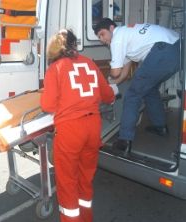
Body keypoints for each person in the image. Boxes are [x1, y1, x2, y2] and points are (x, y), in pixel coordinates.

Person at [40, 29, 116, 222]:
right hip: (93, 128)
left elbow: (47, 105)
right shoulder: (89, 63)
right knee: (85, 178)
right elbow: (108, 95)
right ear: (75, 45)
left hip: (71, 130)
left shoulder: (55, 68)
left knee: (67, 183)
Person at [93, 18, 180, 152]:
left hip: (163, 50)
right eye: (99, 37)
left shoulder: (118, 36)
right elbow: (124, 73)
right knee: (149, 89)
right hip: (177, 48)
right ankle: (160, 126)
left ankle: (124, 141)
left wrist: (105, 79)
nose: (101, 39)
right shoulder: (127, 35)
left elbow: (116, 72)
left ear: (111, 28)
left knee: (132, 95)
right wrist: (109, 84)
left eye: (102, 34)